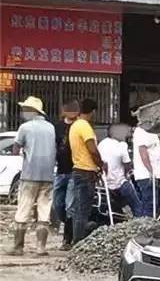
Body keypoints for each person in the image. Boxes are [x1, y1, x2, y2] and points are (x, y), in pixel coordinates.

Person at [7, 97, 56, 256]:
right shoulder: (50, 128)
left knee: (23, 208)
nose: (22, 113)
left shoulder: (25, 128)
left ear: (31, 111)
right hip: (48, 175)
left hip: (29, 175)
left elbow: (16, 149)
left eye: (25, 110)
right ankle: (41, 247)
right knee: (44, 210)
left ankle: (18, 246)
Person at [68, 98, 103, 244]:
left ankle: (76, 239)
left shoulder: (75, 125)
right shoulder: (85, 126)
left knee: (79, 209)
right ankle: (78, 242)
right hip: (86, 171)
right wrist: (101, 164)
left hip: (78, 170)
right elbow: (92, 150)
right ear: (93, 111)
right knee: (83, 210)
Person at [53, 99, 79, 250]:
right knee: (58, 205)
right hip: (60, 171)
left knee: (70, 205)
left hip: (74, 171)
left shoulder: (79, 126)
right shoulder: (57, 127)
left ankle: (67, 239)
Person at [98, 124, 140, 216]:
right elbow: (127, 165)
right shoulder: (122, 145)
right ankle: (140, 221)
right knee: (137, 205)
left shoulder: (101, 144)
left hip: (105, 185)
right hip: (120, 183)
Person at [132, 122, 160, 218]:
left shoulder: (151, 131)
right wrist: (151, 171)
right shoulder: (141, 131)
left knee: (155, 202)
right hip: (146, 174)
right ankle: (146, 227)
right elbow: (143, 153)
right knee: (150, 203)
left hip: (154, 174)